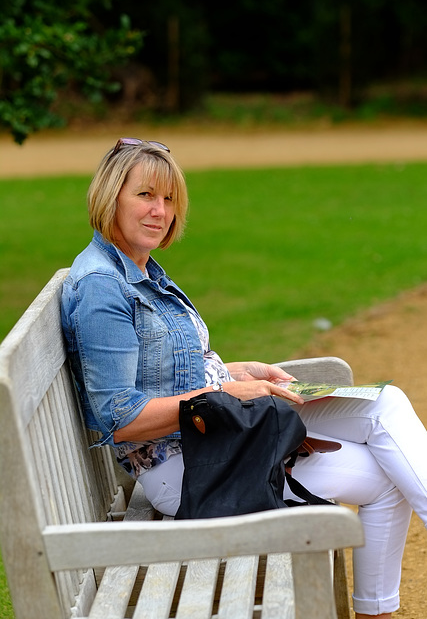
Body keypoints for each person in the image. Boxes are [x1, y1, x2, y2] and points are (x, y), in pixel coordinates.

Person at [61, 137, 427, 619]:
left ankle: (375, 611)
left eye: (169, 199)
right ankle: (375, 612)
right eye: (146, 195)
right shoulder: (103, 289)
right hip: (192, 469)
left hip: (221, 435)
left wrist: (238, 371)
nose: (160, 211)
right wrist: (221, 393)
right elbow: (121, 420)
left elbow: (166, 371)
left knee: (386, 403)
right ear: (111, 196)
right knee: (384, 477)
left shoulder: (136, 270)